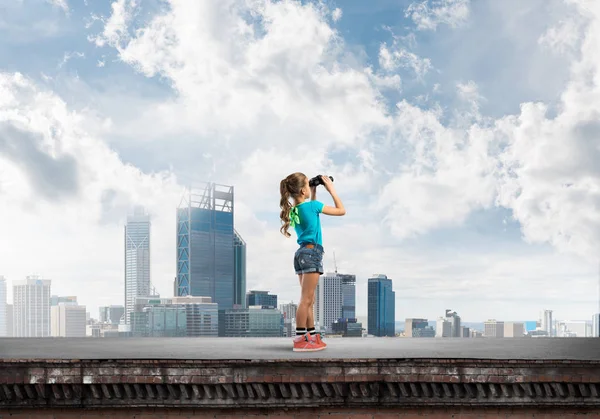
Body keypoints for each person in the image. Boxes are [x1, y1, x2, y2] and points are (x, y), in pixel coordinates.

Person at [279, 173, 346, 352]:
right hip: (312, 253)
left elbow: (311, 218)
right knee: (306, 299)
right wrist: (331, 189)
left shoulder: (294, 210)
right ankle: (301, 339)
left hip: (301, 254)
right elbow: (341, 210)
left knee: (309, 300)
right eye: (308, 186)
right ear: (302, 190)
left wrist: (314, 190)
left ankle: (311, 336)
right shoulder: (313, 206)